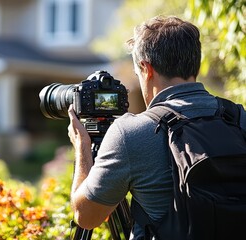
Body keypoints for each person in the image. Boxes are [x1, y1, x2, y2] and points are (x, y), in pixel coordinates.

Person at [67, 15, 246, 239]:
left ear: (146, 69)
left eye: (137, 73)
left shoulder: (131, 133)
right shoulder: (238, 117)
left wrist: (82, 147)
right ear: (195, 65)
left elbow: (86, 216)